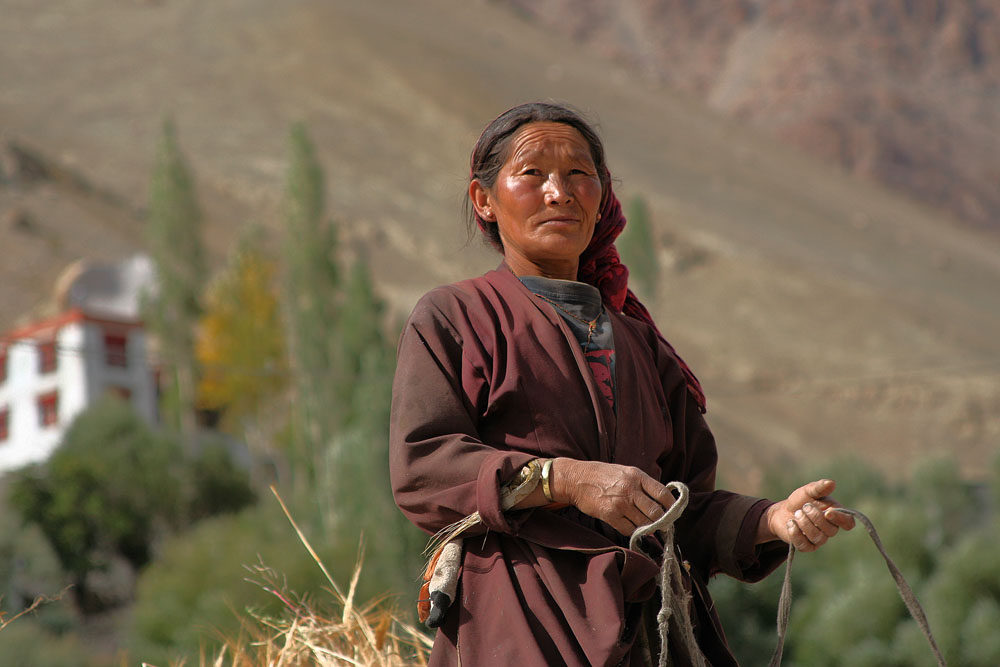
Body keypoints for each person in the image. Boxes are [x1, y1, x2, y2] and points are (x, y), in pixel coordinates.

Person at [389, 102, 854, 666]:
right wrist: (567, 480)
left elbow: (683, 506)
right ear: (483, 200)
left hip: (650, 635)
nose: (559, 192)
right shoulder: (456, 317)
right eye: (532, 173)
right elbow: (424, 466)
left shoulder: (641, 345)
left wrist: (770, 520)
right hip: (519, 624)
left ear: (602, 196)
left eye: (580, 174)